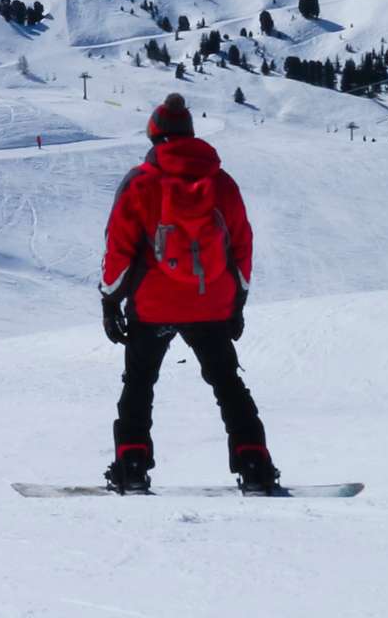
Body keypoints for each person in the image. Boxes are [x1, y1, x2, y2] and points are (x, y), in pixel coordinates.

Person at [98, 93, 281, 494]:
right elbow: (242, 246)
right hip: (210, 304)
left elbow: (119, 247)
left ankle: (132, 465)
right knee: (227, 384)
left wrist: (110, 301)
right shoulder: (222, 183)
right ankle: (254, 463)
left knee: (139, 384)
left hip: (153, 305)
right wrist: (237, 302)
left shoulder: (140, 182)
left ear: (153, 135)